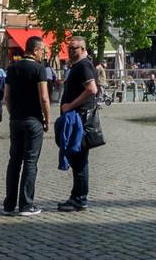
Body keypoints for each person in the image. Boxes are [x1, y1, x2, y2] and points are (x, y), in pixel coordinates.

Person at [4, 38, 51, 216]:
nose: (43, 54)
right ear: (36, 50)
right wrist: (47, 119)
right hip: (33, 120)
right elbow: (44, 98)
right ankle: (26, 204)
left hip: (15, 120)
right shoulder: (39, 69)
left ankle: (9, 204)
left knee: (14, 161)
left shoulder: (12, 68)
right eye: (42, 51)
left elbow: (6, 97)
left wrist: (12, 114)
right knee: (30, 162)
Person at [57, 37, 99, 212]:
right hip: (76, 117)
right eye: (69, 48)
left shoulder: (84, 66)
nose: (70, 51)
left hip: (80, 119)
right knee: (77, 158)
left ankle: (80, 199)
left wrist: (70, 105)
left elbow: (92, 89)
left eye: (74, 48)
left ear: (82, 49)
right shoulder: (78, 66)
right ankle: (76, 196)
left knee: (80, 159)